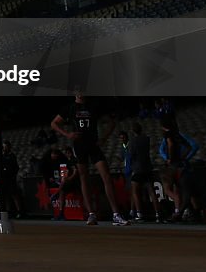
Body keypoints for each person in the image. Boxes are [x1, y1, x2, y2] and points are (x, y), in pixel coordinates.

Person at [51, 88, 130, 226]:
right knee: (84, 178)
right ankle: (91, 214)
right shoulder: (70, 108)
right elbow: (54, 123)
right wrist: (67, 134)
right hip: (79, 145)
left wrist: (104, 138)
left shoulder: (94, 106)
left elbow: (112, 122)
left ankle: (116, 214)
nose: (81, 92)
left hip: (93, 144)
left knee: (106, 176)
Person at [127, 121, 161, 223]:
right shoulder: (146, 139)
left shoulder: (132, 141)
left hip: (137, 169)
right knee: (152, 192)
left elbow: (131, 155)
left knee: (135, 192)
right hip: (147, 168)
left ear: (133, 131)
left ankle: (139, 214)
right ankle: (158, 214)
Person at [0, 141, 23, 218]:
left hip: (11, 179)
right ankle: (8, 211)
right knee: (6, 196)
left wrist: (11, 174)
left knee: (14, 195)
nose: (4, 148)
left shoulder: (12, 156)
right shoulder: (1, 156)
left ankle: (19, 211)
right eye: (3, 146)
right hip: (3, 179)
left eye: (5, 146)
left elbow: (16, 168)